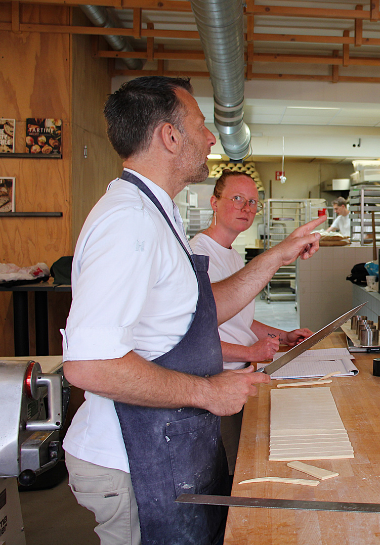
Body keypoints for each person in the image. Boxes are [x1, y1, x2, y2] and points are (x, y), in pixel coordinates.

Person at [61, 76, 324, 545]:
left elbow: (200, 312)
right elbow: (89, 365)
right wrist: (207, 391)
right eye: (201, 127)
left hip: (166, 447)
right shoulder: (129, 221)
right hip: (131, 460)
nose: (209, 138)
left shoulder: (157, 214)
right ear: (169, 136)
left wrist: (277, 255)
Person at [189, 170, 313, 474]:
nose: (246, 208)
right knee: (230, 469)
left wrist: (283, 336)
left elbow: (240, 319)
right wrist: (248, 353)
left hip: (241, 377)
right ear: (214, 202)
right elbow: (192, 336)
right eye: (237, 199)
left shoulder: (232, 255)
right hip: (216, 383)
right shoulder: (197, 254)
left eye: (252, 202)